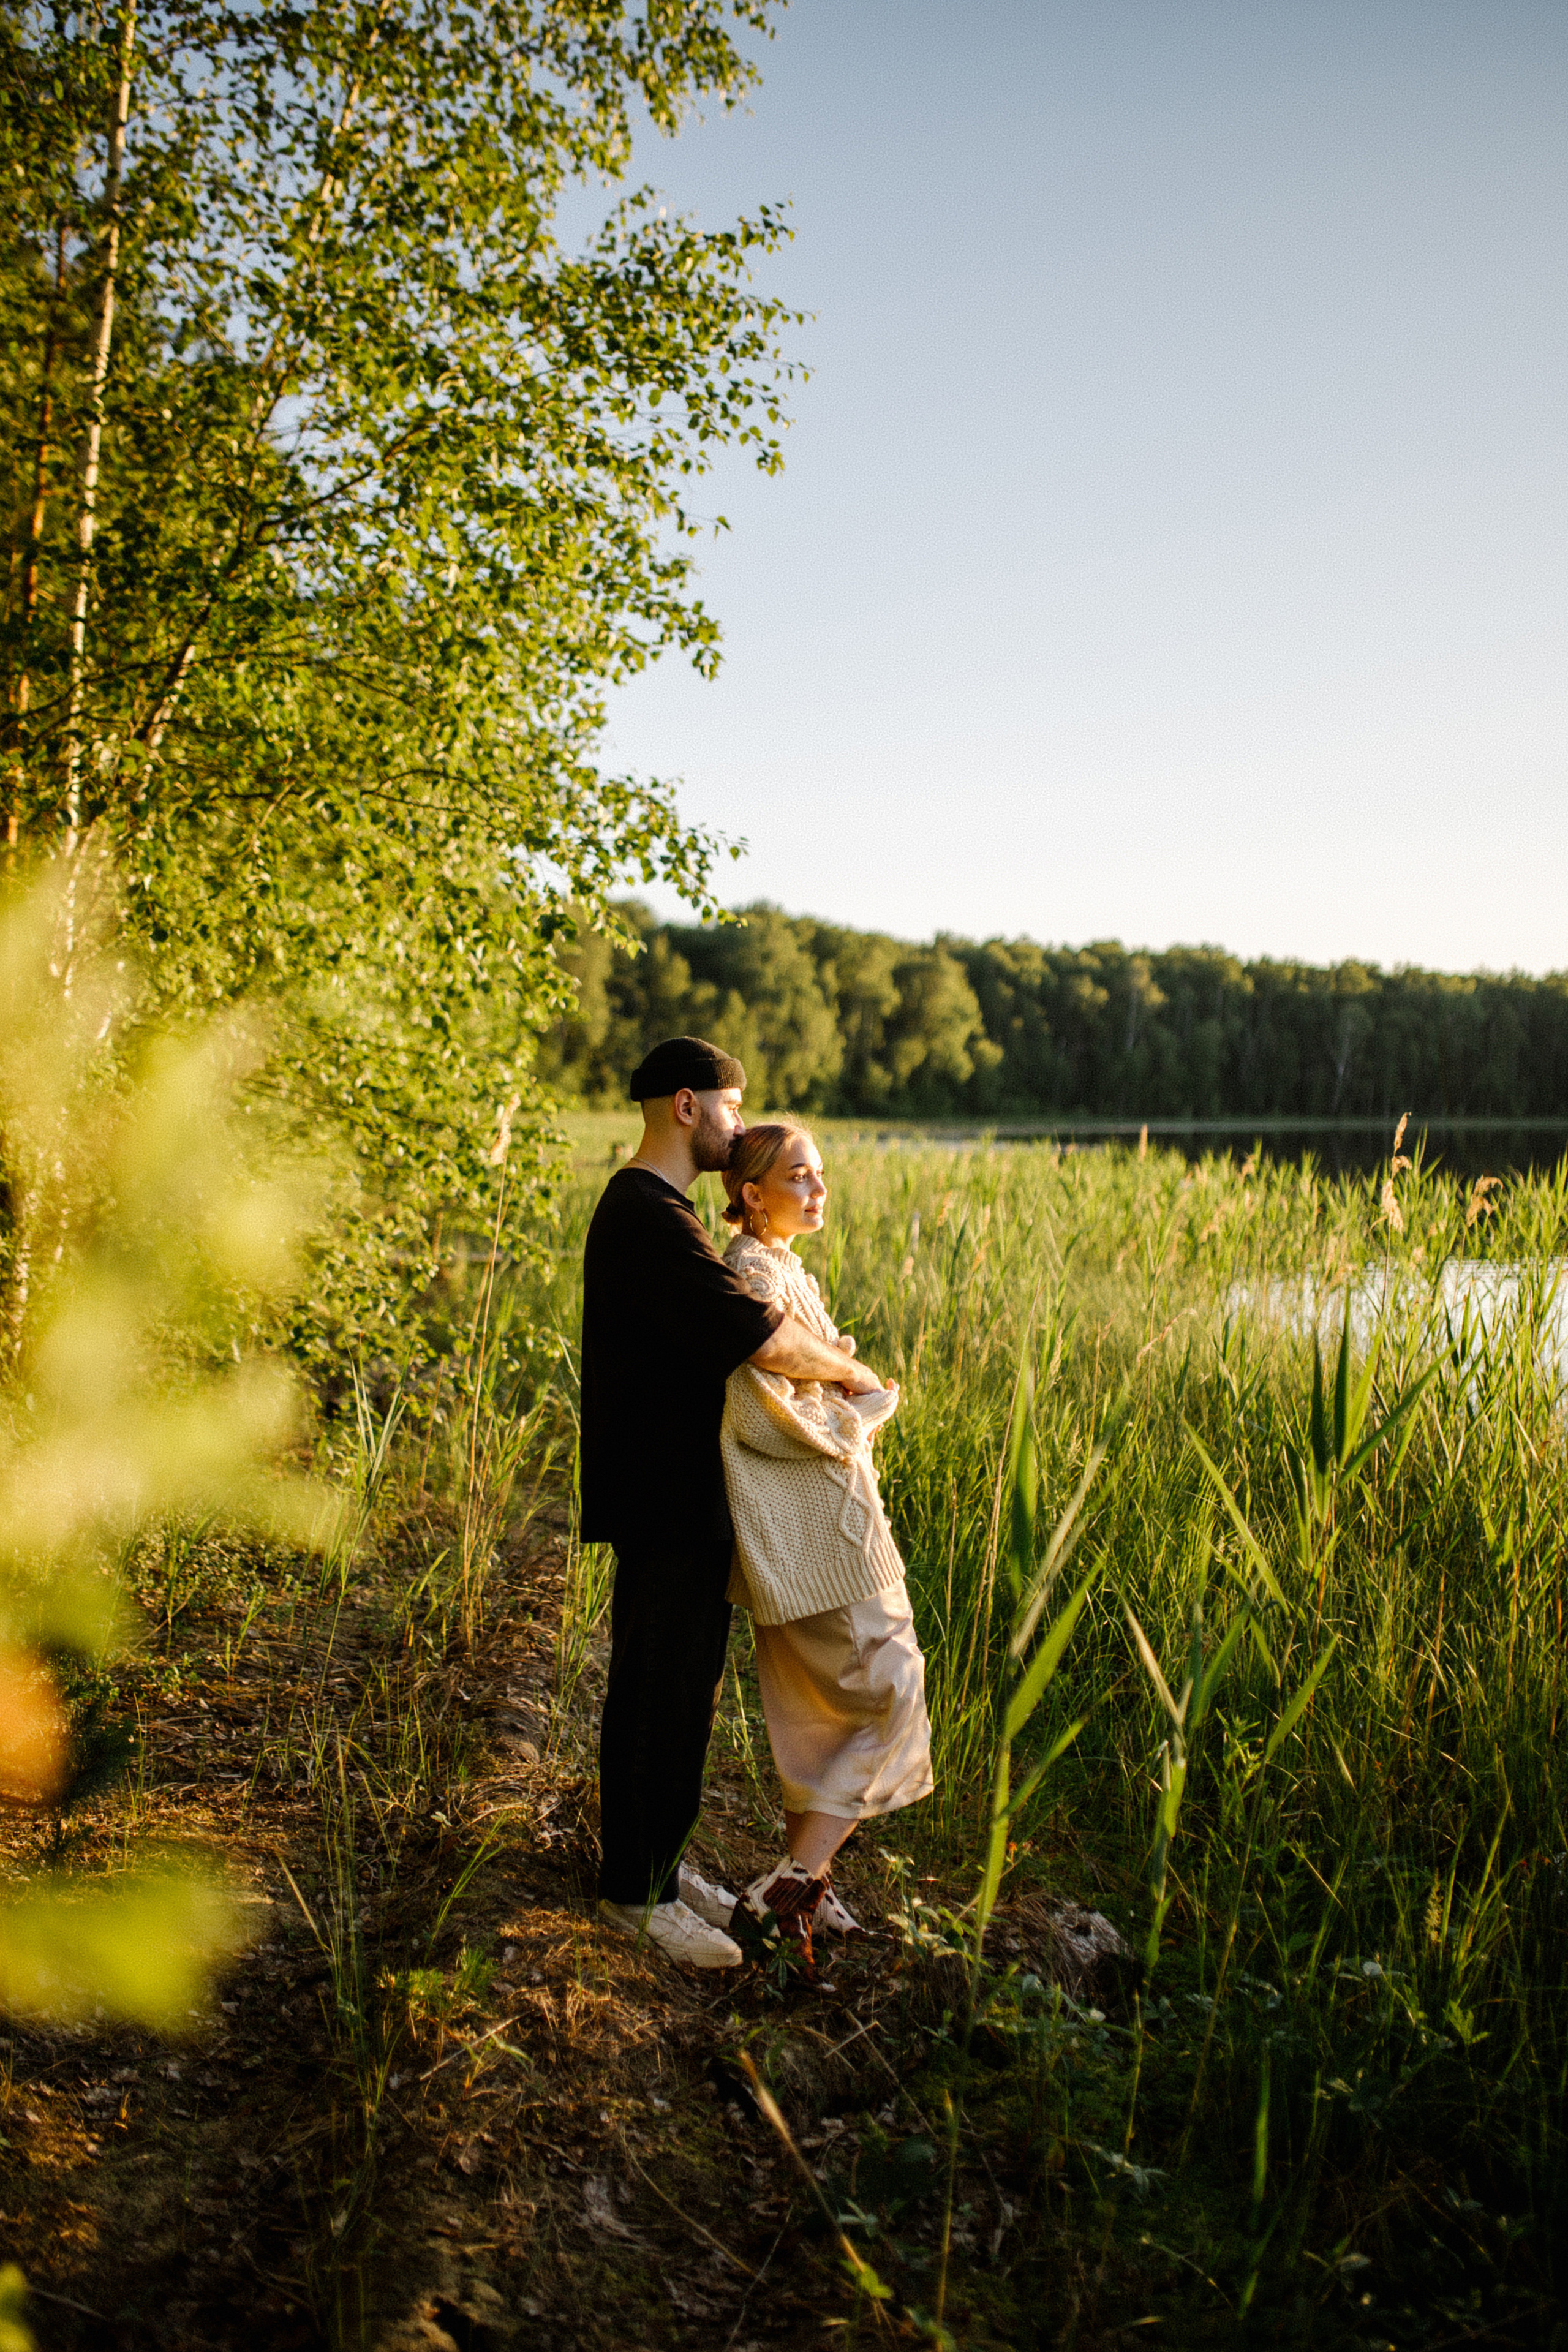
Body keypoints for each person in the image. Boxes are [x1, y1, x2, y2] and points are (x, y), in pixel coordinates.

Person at [579, 1039, 890, 1969]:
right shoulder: (645, 1212)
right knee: (657, 1691)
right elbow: (758, 1334)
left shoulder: (664, 1213)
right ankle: (634, 1897)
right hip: (662, 1497)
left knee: (687, 1692)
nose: (741, 1123)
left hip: (686, 1496)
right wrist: (850, 1372)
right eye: (732, 1105)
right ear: (687, 1106)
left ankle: (663, 1872)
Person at [718, 1125, 933, 1967]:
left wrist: (844, 1388)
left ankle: (810, 1893)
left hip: (818, 1528)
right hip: (819, 1537)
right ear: (753, 1194)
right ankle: (790, 1885)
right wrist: (858, 1408)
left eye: (821, 1175)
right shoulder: (751, 1274)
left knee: (819, 1716)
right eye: (799, 1176)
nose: (819, 1190)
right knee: (893, 1693)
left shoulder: (783, 1269)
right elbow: (759, 1410)